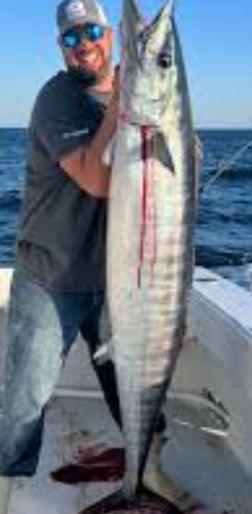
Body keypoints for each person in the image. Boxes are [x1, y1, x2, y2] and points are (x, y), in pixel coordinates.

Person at [0, 1, 195, 512]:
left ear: (109, 36)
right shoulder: (57, 100)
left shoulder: (139, 114)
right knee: (25, 399)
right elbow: (97, 178)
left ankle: (146, 473)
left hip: (117, 279)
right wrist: (122, 114)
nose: (83, 42)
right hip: (51, 276)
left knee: (133, 380)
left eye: (91, 30)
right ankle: (8, 485)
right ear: (60, 46)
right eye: (70, 36)